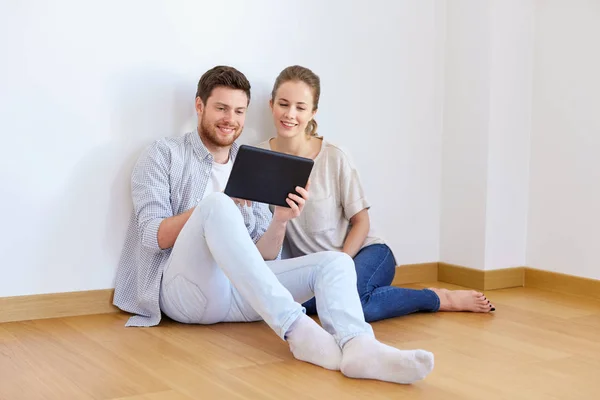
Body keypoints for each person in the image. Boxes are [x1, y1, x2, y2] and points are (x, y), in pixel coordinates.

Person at [112, 65, 434, 385]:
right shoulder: (163, 154)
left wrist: (280, 219)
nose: (230, 119)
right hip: (187, 294)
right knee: (217, 204)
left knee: (335, 263)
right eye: (221, 108)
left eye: (239, 111)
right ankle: (296, 329)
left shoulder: (251, 162)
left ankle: (359, 346)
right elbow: (152, 237)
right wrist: (221, 203)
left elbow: (263, 257)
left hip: (244, 297)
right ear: (200, 106)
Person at [257, 65, 495, 323]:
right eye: (283, 104)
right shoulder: (257, 158)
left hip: (364, 252)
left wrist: (341, 266)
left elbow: (362, 222)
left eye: (301, 107)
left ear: (313, 112)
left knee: (357, 306)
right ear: (271, 105)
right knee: (320, 304)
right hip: (316, 272)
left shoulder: (335, 156)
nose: (290, 114)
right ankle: (354, 293)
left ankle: (438, 298)